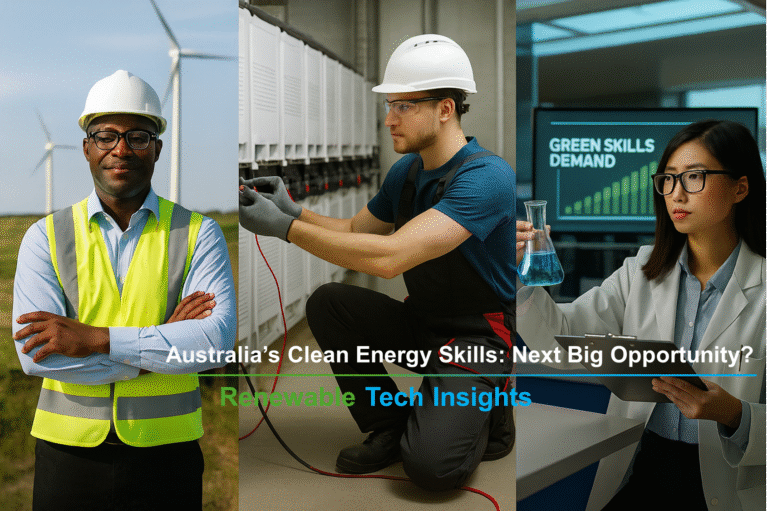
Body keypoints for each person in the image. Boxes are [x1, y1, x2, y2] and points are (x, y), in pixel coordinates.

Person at [239, 34, 516, 490]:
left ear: (445, 108)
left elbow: (389, 259)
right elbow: (355, 232)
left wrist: (284, 230)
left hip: (476, 338)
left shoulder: (487, 177)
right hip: (423, 324)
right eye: (390, 105)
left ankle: (488, 410)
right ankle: (388, 424)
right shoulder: (406, 172)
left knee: (431, 469)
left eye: (403, 106)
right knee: (330, 302)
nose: (389, 119)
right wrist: (292, 211)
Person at [12, 70, 236, 510]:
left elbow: (213, 345)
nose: (121, 149)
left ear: (157, 148)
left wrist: (94, 339)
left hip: (167, 456)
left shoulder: (198, 233)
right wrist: (159, 350)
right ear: (86, 148)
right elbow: (37, 355)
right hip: (67, 458)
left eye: (138, 136)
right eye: (105, 136)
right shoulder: (45, 237)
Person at [516, 119, 765, 511]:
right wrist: (521, 283)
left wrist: (734, 414)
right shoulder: (642, 270)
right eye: (667, 179)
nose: (677, 193)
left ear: (741, 187)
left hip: (730, 486)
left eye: (694, 177)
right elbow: (561, 337)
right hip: (645, 472)